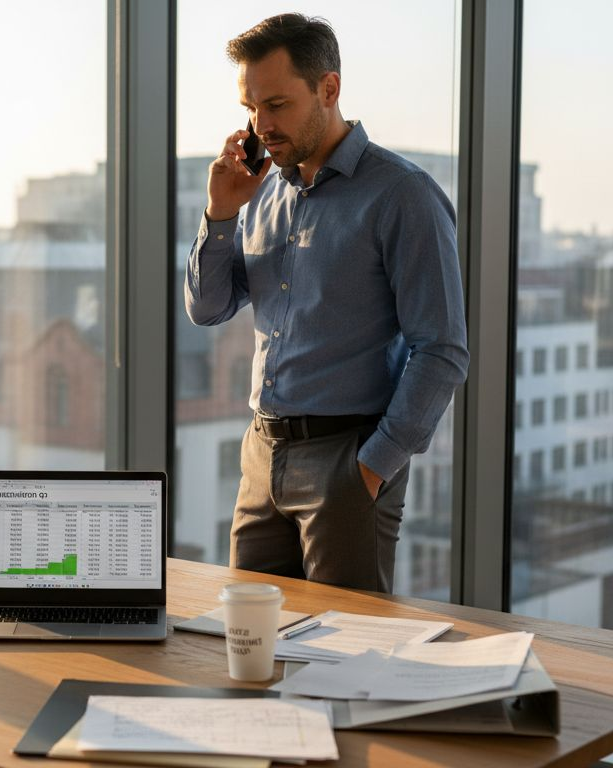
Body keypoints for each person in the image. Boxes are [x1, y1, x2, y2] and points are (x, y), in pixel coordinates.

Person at [186, 13, 468, 593]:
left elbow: (441, 349)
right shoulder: (261, 196)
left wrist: (371, 469)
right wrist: (220, 215)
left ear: (329, 89)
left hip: (348, 460)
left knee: (345, 657)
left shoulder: (402, 194)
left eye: (277, 105)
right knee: (252, 649)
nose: (261, 125)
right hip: (261, 455)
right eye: (250, 108)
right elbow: (207, 308)